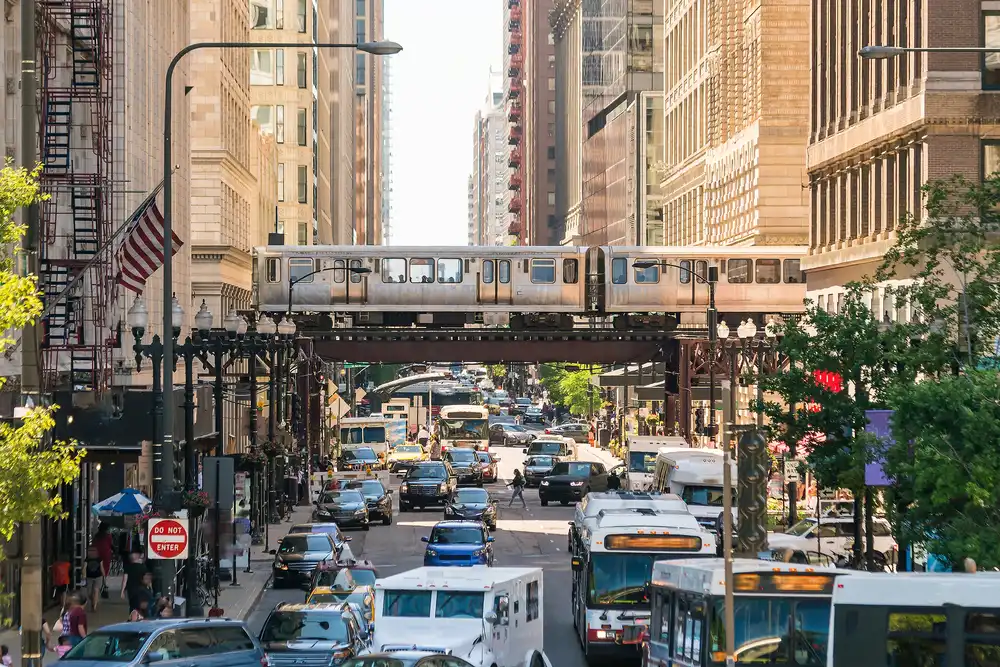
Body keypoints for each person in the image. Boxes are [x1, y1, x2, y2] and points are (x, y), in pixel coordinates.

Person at [84, 546, 105, 611]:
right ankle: (93, 601)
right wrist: (83, 574)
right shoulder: (87, 559)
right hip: (89, 577)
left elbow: (101, 567)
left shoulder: (99, 559)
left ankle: (94, 606)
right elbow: (84, 567)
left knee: (96, 591)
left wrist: (104, 575)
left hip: (98, 576)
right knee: (89, 593)